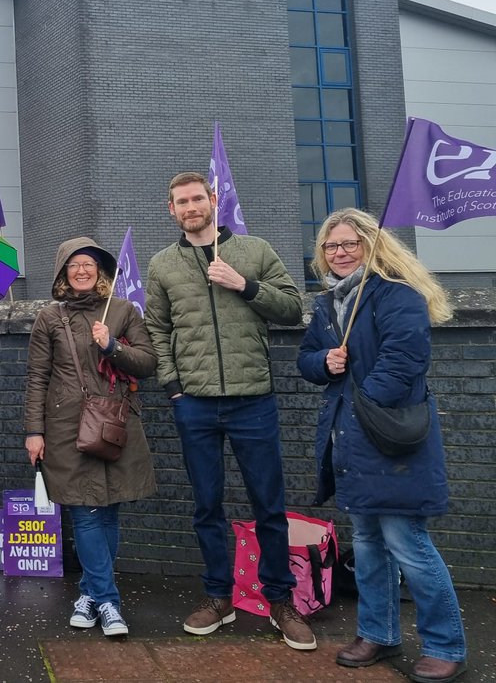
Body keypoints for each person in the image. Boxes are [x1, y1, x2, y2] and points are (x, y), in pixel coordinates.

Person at [144, 172, 315, 650]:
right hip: (194, 403)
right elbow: (156, 328)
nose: (191, 206)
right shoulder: (162, 264)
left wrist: (245, 284)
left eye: (198, 198)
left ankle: (280, 600)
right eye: (182, 201)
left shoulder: (255, 250)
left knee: (269, 506)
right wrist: (173, 386)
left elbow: (293, 310)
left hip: (252, 399)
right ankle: (219, 597)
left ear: (213, 201)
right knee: (207, 506)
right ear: (171, 209)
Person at [297, 208, 466, 682]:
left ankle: (446, 643)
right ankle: (378, 633)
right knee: (368, 544)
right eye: (332, 246)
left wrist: (362, 402)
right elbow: (305, 359)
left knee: (408, 543)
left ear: (372, 246)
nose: (341, 252)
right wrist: (324, 363)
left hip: (388, 442)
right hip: (350, 443)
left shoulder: (396, 296)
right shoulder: (329, 304)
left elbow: (404, 359)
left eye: (350, 243)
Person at [25, 237, 158, 636]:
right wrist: (34, 430)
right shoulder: (50, 317)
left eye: (89, 265)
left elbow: (148, 362)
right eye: (73, 265)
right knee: (84, 512)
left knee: (110, 509)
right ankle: (109, 602)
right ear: (63, 273)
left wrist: (112, 345)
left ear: (101, 271)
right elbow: (37, 377)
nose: (81, 271)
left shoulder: (122, 310)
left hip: (115, 423)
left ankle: (89, 593)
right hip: (65, 427)